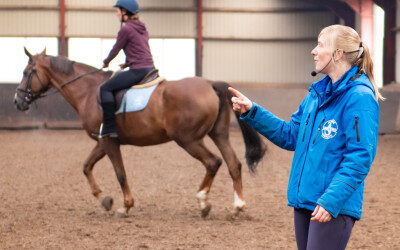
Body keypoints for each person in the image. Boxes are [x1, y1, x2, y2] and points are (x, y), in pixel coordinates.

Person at [229, 24, 381, 250]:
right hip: (305, 201)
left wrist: (331, 201)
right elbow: (290, 135)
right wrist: (252, 111)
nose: (313, 51)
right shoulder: (315, 95)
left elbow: (360, 157)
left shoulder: (359, 97)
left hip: (332, 206)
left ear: (338, 54)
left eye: (320, 45)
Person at [100, 0, 155, 137]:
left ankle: (110, 127)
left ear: (125, 12)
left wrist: (106, 62)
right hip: (150, 68)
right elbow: (139, 49)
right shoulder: (142, 28)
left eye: (118, 11)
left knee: (105, 88)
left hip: (138, 70)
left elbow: (116, 49)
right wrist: (126, 63)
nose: (117, 14)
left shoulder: (126, 29)